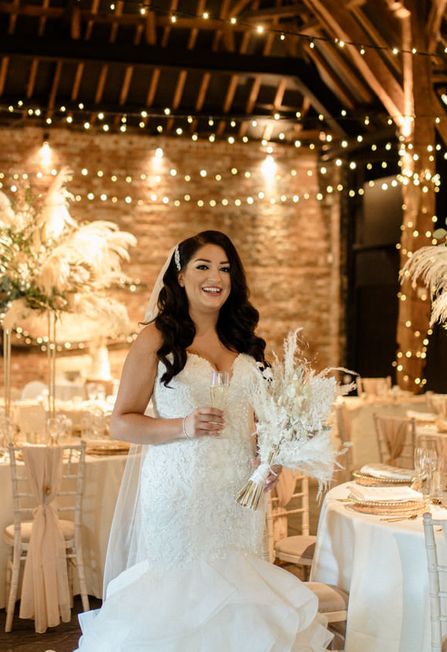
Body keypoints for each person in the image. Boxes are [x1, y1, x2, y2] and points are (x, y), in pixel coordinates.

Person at [76, 230, 332, 651]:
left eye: (225, 269)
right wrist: (182, 427)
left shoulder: (243, 341)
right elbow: (120, 423)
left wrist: (269, 462)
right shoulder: (156, 338)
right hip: (179, 494)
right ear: (179, 277)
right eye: (203, 266)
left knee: (241, 593)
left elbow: (256, 424)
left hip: (237, 497)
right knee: (182, 594)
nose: (216, 277)